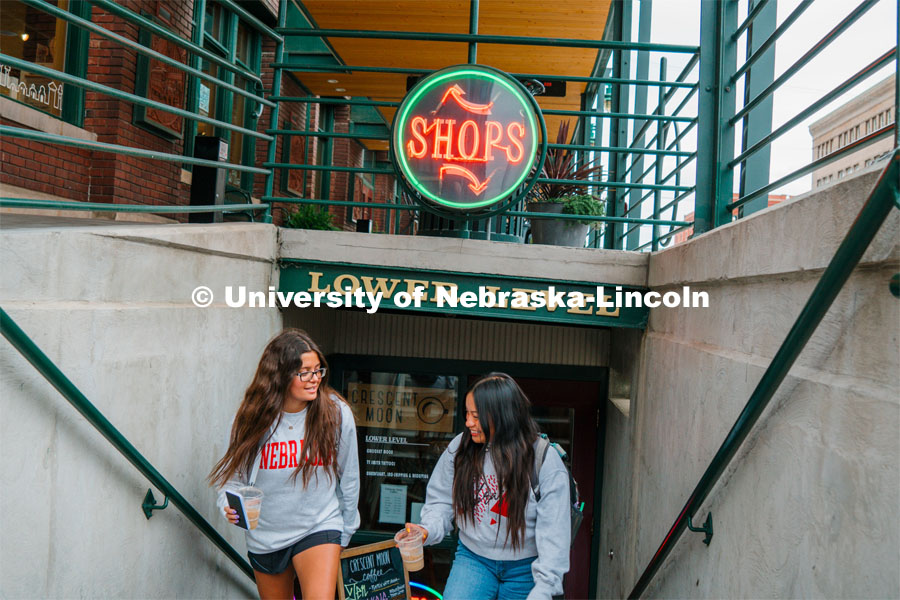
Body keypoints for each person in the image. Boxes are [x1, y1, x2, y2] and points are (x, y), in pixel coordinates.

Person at [209, 329, 360, 600]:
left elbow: (349, 477)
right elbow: (232, 481)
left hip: (319, 526)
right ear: (280, 375)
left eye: (318, 370)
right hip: (266, 535)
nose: (315, 379)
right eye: (304, 372)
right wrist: (228, 506)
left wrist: (345, 532)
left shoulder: (335, 413)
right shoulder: (250, 420)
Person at [405, 373, 570, 600]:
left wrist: (545, 588)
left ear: (502, 415)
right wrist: (427, 530)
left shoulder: (542, 459)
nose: (468, 422)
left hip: (526, 568)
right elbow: (441, 500)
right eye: (467, 414)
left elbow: (555, 534)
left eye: (476, 415)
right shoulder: (461, 448)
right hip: (473, 560)